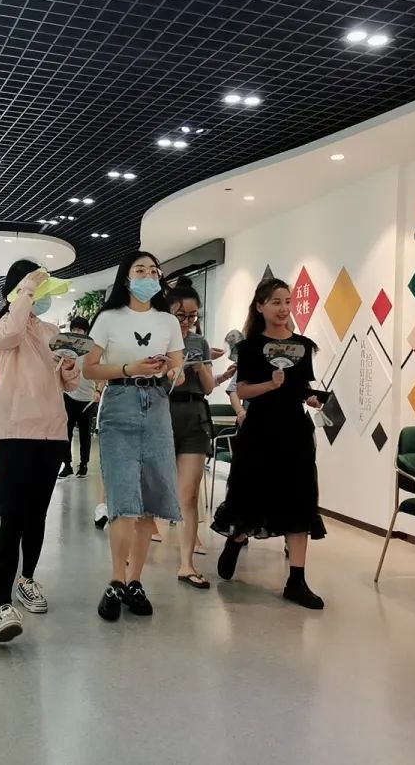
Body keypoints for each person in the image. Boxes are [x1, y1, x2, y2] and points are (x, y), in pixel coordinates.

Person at [0, 261, 80, 643]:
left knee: (38, 515)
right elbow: (9, 337)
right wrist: (26, 290)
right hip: (15, 430)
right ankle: (3, 604)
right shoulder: (4, 325)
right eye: (36, 291)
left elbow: (70, 384)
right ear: (18, 291)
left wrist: (69, 366)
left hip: (51, 432)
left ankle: (27, 580)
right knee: (13, 517)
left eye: (43, 291)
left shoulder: (52, 331)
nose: (40, 298)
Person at [212, 278, 326, 609]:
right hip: (259, 430)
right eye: (276, 302)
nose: (283, 308)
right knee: (251, 494)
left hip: (295, 432)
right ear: (260, 306)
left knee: (299, 499)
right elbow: (242, 390)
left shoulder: (303, 346)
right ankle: (236, 538)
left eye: (287, 301)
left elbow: (301, 389)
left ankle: (296, 580)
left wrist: (312, 399)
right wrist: (270, 385)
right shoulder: (250, 348)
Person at [84, 251, 184, 622]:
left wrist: (171, 371)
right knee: (123, 498)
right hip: (120, 402)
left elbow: (178, 370)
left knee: (149, 500)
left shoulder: (168, 320)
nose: (147, 276)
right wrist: (129, 367)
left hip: (157, 405)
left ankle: (135, 581)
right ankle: (115, 580)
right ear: (126, 278)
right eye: (139, 270)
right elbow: (89, 368)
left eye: (153, 271)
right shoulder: (108, 318)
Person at [166, 279, 216, 589]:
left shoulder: (200, 342)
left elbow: (209, 388)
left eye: (193, 315)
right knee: (153, 486)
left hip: (195, 414)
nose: (187, 322)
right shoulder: (158, 339)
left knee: (189, 492)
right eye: (181, 315)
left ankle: (186, 564)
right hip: (163, 413)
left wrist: (198, 367)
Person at [59, 316, 100, 479]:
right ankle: (67, 465)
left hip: (87, 397)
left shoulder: (92, 350)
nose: (77, 332)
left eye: (80, 330)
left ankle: (84, 464)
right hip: (69, 395)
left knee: (85, 433)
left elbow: (100, 373)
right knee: (65, 432)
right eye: (74, 329)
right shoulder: (66, 349)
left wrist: (98, 391)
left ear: (86, 332)